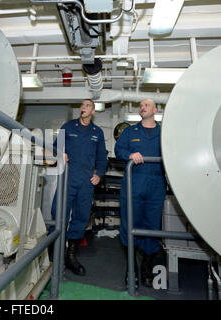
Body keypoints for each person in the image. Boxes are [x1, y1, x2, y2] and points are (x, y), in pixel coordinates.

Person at [49, 99, 108, 276]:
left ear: (93, 112)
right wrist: (60, 154)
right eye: (82, 105)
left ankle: (70, 255)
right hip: (68, 176)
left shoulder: (98, 132)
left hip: (87, 181)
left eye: (87, 106)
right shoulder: (68, 127)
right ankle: (53, 252)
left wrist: (100, 175)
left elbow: (102, 159)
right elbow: (54, 149)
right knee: (59, 212)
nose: (83, 108)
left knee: (81, 216)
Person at [115, 98, 167, 288]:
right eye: (141, 105)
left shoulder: (164, 132)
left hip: (156, 186)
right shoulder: (130, 131)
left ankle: (147, 265)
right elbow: (118, 148)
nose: (142, 107)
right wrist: (129, 155)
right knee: (130, 224)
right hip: (133, 185)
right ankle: (132, 268)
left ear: (155, 109)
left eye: (146, 105)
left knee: (152, 227)